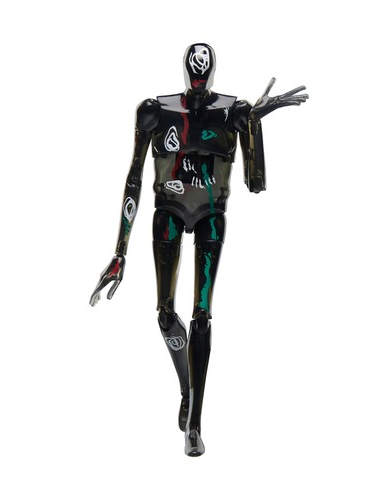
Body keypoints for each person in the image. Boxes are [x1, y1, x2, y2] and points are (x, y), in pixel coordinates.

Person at [90, 43, 308, 456]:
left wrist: (253, 123)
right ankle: (187, 388)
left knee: (202, 315)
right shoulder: (155, 111)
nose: (199, 74)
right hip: (168, 212)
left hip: (210, 213)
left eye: (204, 68)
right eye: (195, 67)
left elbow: (256, 183)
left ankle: (195, 423)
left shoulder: (232, 112)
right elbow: (134, 178)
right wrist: (120, 252)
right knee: (165, 314)